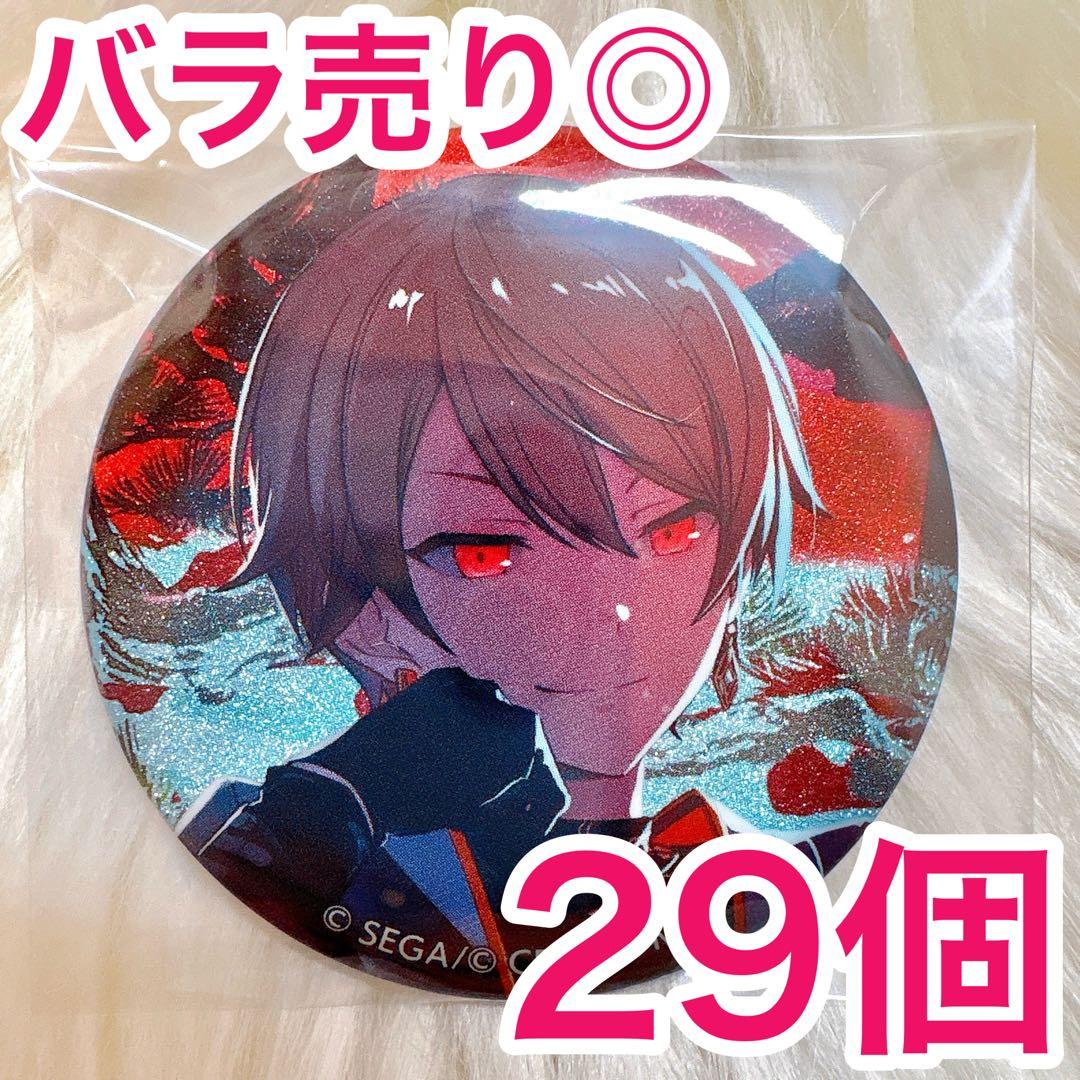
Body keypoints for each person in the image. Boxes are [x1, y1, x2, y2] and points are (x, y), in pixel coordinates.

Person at [178, 172, 858, 994]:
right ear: (364, 614)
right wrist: (322, 812)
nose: (615, 610)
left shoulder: (764, 886)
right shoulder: (267, 859)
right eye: (486, 553)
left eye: (675, 530)